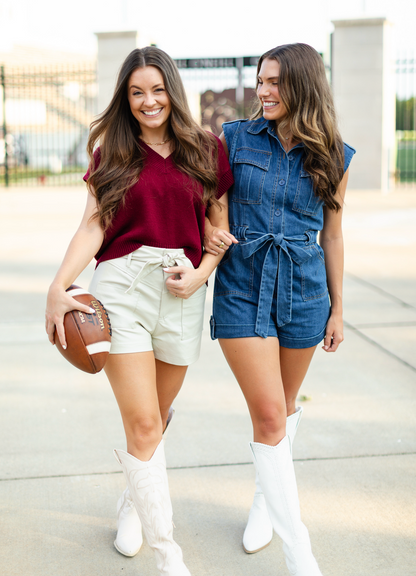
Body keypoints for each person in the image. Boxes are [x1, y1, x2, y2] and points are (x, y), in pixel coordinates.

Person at [45, 46, 233, 576]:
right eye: (136, 93)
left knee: (158, 418)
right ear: (125, 99)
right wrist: (59, 285)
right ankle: (168, 554)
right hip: (122, 286)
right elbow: (93, 226)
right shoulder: (114, 151)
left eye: (156, 90)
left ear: (171, 90)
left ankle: (134, 498)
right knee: (145, 422)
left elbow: (217, 229)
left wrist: (200, 274)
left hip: (182, 289)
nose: (148, 102)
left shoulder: (205, 148)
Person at [204, 43, 355, 576]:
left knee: (283, 410)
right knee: (269, 413)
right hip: (243, 285)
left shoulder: (334, 154)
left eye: (274, 83)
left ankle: (265, 499)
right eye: (261, 81)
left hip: (305, 290)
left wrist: (338, 309)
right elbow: (210, 209)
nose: (263, 91)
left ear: (303, 87)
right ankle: (301, 555)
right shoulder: (233, 139)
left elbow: (332, 235)